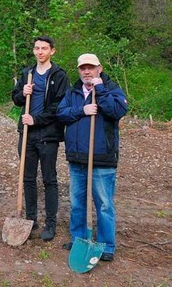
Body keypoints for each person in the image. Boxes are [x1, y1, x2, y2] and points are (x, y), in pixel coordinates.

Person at [57, 53, 128, 262]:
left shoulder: (112, 89)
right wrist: (82, 110)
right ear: (79, 70)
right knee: (78, 202)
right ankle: (79, 238)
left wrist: (101, 90)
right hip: (77, 158)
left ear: (100, 68)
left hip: (102, 158)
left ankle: (107, 246)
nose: (86, 72)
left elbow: (117, 111)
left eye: (91, 67)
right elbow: (61, 114)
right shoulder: (73, 92)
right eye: (83, 68)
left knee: (104, 204)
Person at [11, 36, 69, 241]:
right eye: (37, 48)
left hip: (47, 134)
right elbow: (15, 98)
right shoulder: (28, 72)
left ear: (52, 51)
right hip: (26, 133)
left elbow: (59, 106)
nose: (40, 51)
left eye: (44, 48)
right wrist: (22, 93)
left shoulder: (59, 75)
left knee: (49, 179)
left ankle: (50, 223)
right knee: (27, 177)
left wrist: (36, 119)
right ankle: (31, 218)